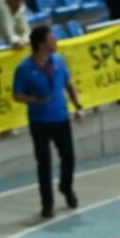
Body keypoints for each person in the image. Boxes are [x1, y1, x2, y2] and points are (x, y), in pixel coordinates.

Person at [13, 25, 83, 220]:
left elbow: (69, 84)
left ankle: (66, 186)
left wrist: (78, 105)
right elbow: (17, 95)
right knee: (44, 163)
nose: (56, 41)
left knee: (68, 157)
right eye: (52, 39)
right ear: (41, 44)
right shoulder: (25, 69)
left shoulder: (59, 61)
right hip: (40, 121)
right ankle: (47, 203)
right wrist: (34, 99)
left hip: (61, 117)